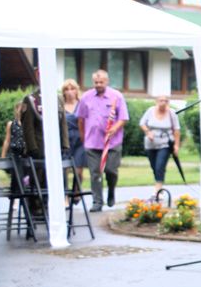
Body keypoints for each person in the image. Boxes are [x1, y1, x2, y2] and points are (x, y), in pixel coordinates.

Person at [76, 69, 129, 212]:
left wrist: (114, 129)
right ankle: (97, 202)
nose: (98, 84)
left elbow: (123, 118)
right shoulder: (86, 97)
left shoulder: (116, 96)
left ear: (107, 81)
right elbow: (80, 119)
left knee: (111, 170)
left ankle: (111, 190)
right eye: (96, 82)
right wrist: (83, 137)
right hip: (92, 143)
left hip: (112, 143)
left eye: (101, 82)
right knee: (95, 173)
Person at [139, 95, 181, 198]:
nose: (163, 103)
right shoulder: (150, 111)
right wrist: (148, 132)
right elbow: (142, 123)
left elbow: (176, 130)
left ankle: (158, 190)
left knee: (160, 166)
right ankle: (159, 186)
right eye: (161, 100)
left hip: (165, 143)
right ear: (156, 101)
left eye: (166, 101)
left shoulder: (172, 113)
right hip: (150, 144)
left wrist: (176, 145)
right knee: (154, 167)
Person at [61, 79, 86, 190]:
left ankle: (76, 192)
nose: (70, 92)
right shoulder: (60, 106)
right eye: (67, 89)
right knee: (64, 168)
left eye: (72, 88)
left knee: (79, 170)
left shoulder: (82, 104)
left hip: (80, 139)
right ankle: (65, 194)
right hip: (65, 139)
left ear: (77, 90)